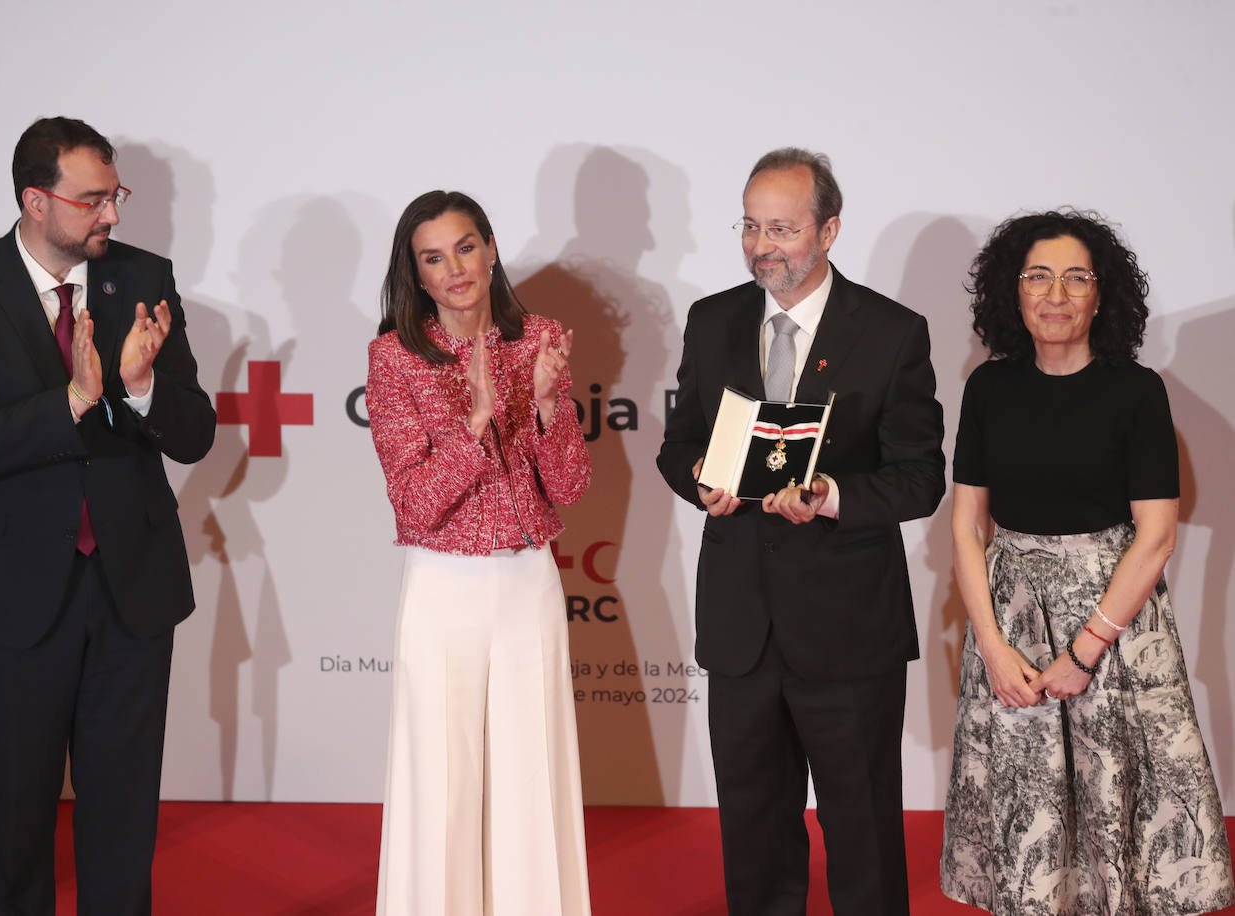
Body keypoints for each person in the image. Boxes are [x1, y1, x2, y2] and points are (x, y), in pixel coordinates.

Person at [0, 116, 216, 915]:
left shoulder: (144, 277)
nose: (112, 216)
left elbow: (193, 434)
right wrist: (78, 399)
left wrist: (144, 388)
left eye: (115, 195)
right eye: (92, 200)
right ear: (35, 202)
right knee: (17, 818)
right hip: (9, 595)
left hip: (131, 591)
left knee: (123, 820)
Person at [656, 148, 945, 915]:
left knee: (863, 829)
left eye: (782, 228)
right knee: (752, 827)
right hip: (741, 621)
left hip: (849, 628)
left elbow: (920, 476)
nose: (762, 247)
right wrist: (702, 483)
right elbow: (678, 443)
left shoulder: (890, 331)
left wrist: (831, 494)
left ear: (830, 231)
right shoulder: (712, 319)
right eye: (750, 226)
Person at [940, 210, 1234, 914]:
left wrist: (1086, 647)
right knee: (1030, 823)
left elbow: (1156, 534)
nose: (1056, 294)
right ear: (1012, 293)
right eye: (1038, 276)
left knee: (1120, 809)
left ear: (1104, 296)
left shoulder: (1135, 390)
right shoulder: (988, 388)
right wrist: (990, 645)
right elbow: (964, 523)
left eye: (1077, 278)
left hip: (1117, 622)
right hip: (1011, 625)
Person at [366, 190, 592, 915]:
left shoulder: (540, 338)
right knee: (445, 779)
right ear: (418, 275)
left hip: (529, 580)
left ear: (491, 249)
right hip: (442, 588)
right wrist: (472, 427)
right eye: (434, 258)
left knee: (532, 771)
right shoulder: (396, 358)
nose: (455, 268)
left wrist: (552, 411)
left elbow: (572, 486)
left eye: (465, 247)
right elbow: (414, 503)